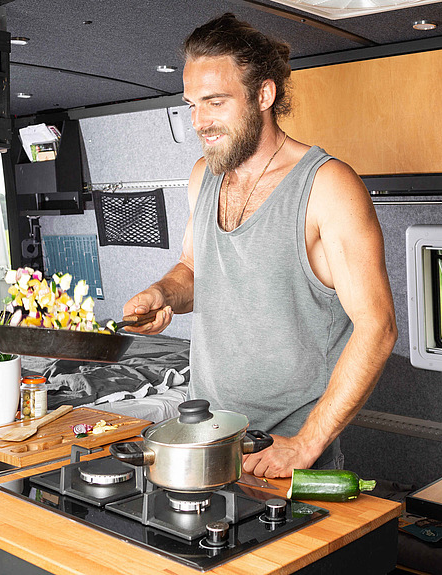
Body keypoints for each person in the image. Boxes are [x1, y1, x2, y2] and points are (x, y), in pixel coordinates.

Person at [123, 13, 397, 478]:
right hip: (208, 438)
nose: (199, 122)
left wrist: (306, 445)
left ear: (264, 95)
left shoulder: (328, 186)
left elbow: (378, 327)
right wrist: (163, 294)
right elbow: (195, 268)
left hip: (286, 453)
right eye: (191, 105)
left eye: (214, 103)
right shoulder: (203, 177)